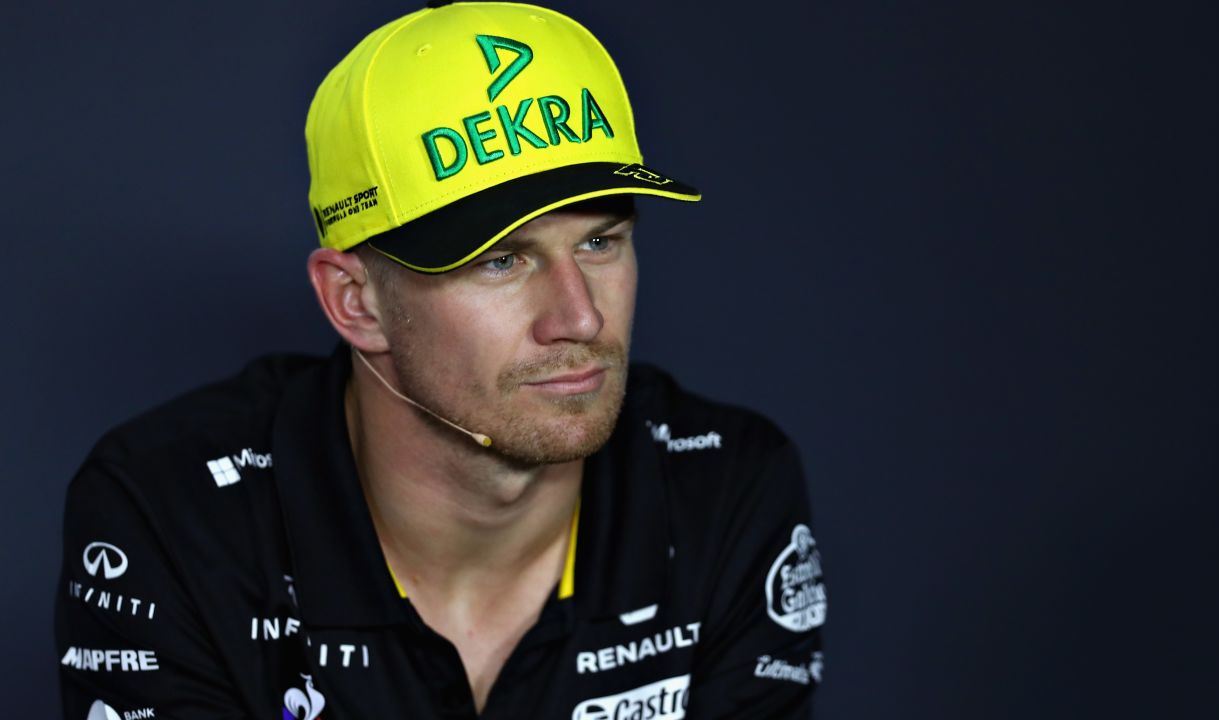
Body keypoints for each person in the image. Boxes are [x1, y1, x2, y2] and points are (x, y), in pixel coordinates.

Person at [56, 2, 826, 718]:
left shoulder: (723, 485)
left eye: (600, 243)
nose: (580, 316)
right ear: (357, 301)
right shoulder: (172, 513)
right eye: (501, 261)